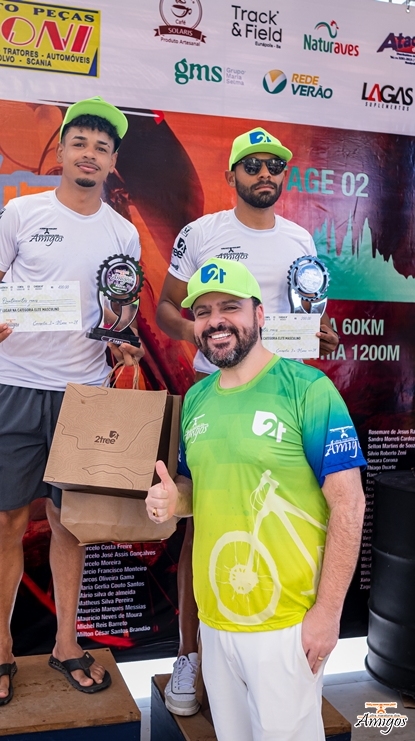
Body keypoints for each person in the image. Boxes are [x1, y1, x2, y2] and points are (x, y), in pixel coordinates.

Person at [0, 97, 144, 705]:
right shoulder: (20, 212)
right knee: (6, 523)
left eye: (102, 147)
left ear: (112, 161)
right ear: (61, 150)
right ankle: (0, 649)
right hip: (15, 384)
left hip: (84, 396)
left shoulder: (123, 233)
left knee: (71, 525)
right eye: (80, 143)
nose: (89, 154)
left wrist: (123, 345)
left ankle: (67, 644)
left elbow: (120, 314)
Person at [156, 126, 339, 716]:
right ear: (232, 174)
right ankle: (191, 655)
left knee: (298, 517)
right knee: (201, 524)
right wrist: (208, 336)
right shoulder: (201, 232)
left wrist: (318, 332)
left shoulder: (299, 237)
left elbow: (309, 311)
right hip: (216, 395)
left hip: (285, 396)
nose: (265, 174)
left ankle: (297, 645)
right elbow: (165, 308)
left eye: (274, 166)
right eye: (252, 165)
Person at [147, 258, 366, 741]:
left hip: (287, 625)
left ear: (260, 314)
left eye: (230, 307)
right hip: (215, 623)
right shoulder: (197, 399)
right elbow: (194, 491)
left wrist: (328, 614)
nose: (215, 321)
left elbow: (349, 505)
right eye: (203, 312)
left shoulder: (309, 390)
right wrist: (172, 499)